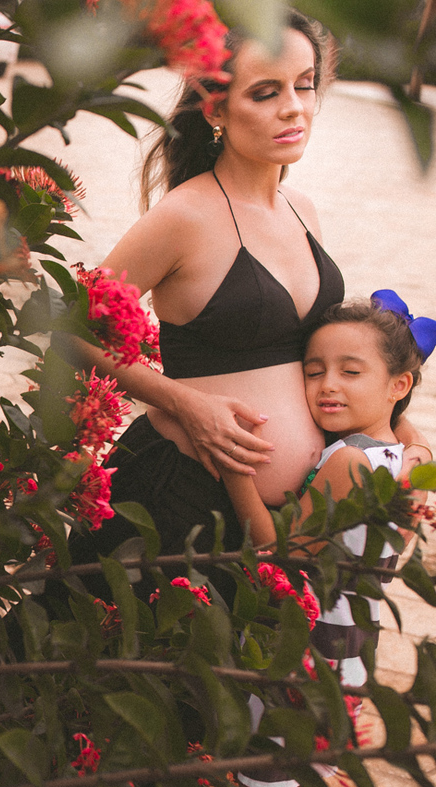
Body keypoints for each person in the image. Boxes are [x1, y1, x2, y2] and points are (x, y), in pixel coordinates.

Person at [58, 10, 430, 601]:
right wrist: (185, 403)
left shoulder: (304, 210)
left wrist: (407, 437)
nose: (294, 108)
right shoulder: (183, 217)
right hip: (180, 497)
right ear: (215, 108)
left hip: (280, 518)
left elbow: (330, 354)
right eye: (264, 92)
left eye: (304, 85)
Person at [224, 293, 435, 787]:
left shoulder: (348, 463)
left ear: (398, 385)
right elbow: (401, 419)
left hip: (308, 646)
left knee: (264, 783)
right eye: (314, 371)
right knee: (303, 779)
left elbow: (280, 550)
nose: (328, 386)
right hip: (352, 648)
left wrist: (234, 470)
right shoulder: (400, 461)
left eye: (351, 372)